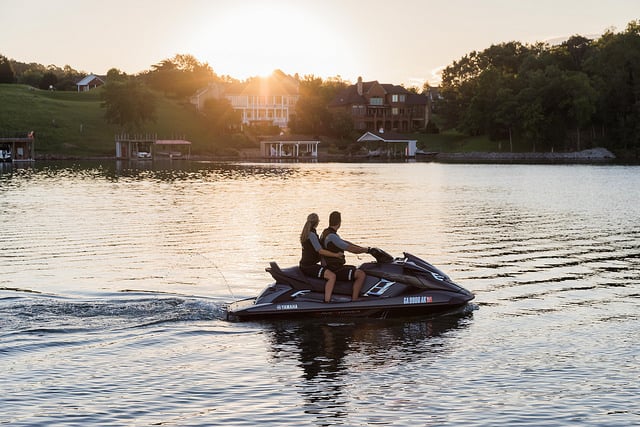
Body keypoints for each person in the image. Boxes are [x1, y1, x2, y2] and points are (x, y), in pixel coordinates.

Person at [320, 211, 369, 301]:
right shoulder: (332, 236)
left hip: (330, 266)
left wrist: (363, 248)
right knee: (361, 274)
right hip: (335, 269)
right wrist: (366, 250)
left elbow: (345, 242)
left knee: (356, 268)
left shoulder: (326, 233)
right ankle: (354, 301)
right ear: (339, 222)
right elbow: (350, 248)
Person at [299, 213, 344, 303]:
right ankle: (327, 301)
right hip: (309, 266)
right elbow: (320, 251)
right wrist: (336, 255)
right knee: (332, 276)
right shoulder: (311, 234)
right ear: (317, 223)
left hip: (305, 264)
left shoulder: (306, 233)